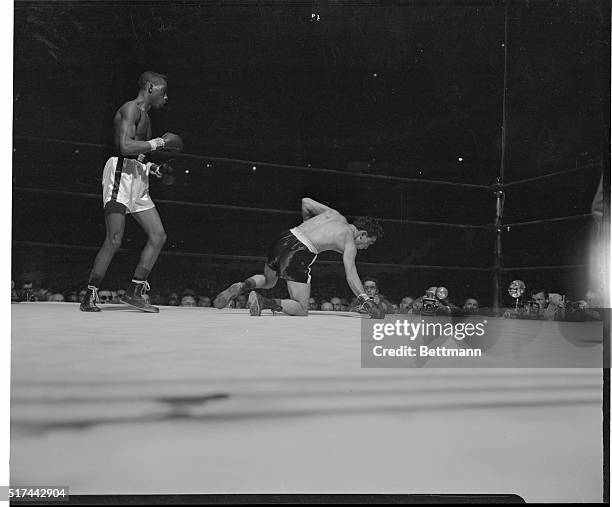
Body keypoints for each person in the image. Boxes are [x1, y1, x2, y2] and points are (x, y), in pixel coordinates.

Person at [80, 71, 183, 313]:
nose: (166, 97)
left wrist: (153, 167)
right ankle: (90, 294)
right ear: (150, 87)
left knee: (158, 236)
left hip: (137, 176)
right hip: (119, 176)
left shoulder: (146, 116)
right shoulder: (130, 109)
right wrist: (158, 143)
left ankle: (135, 291)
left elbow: (137, 154)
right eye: (163, 91)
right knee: (114, 239)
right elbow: (124, 146)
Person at [214, 197, 385, 317]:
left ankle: (242, 285)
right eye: (368, 243)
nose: (365, 248)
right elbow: (351, 274)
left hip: (284, 238)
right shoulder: (348, 239)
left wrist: (306, 223)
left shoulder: (334, 214)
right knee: (302, 308)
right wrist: (365, 301)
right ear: (362, 234)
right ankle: (263, 302)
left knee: (269, 281)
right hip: (300, 250)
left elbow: (306, 202)